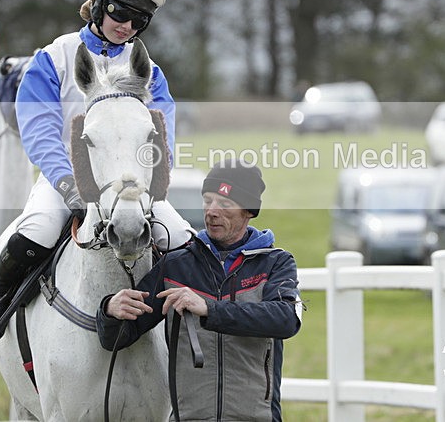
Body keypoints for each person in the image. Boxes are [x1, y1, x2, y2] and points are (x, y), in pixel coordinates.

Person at [0, 0, 192, 337]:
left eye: (139, 21)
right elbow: (39, 128)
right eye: (119, 12)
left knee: (179, 239)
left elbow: (162, 134)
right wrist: (66, 182)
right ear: (96, 3)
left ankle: (196, 328)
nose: (127, 26)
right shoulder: (52, 58)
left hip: (132, 184)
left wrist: (154, 181)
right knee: (38, 232)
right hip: (63, 179)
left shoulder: (149, 71)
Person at [97, 159, 302, 422]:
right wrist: (110, 310)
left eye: (225, 204)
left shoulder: (277, 262)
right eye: (207, 200)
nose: (212, 211)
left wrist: (209, 309)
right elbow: (119, 336)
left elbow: (286, 319)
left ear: (248, 211)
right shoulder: (175, 265)